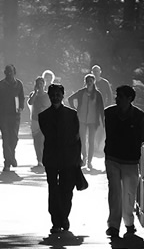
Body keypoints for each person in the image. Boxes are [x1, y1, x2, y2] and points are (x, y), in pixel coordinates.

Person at [104, 84, 144, 239]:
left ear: (129, 99)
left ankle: (129, 222)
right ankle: (113, 226)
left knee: (129, 193)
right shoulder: (108, 113)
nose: (117, 99)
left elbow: (141, 137)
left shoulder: (140, 116)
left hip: (130, 160)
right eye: (117, 95)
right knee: (114, 192)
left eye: (120, 96)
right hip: (113, 158)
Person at [38, 83, 82, 235]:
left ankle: (63, 216)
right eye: (52, 95)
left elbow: (77, 137)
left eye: (58, 94)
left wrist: (78, 157)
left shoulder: (72, 114)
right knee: (53, 189)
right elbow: (48, 135)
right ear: (49, 96)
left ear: (63, 96)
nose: (55, 97)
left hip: (69, 158)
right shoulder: (43, 116)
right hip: (51, 157)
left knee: (66, 189)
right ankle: (56, 220)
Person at [68, 73, 105, 170]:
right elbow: (70, 98)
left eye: (91, 81)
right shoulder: (81, 92)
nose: (89, 83)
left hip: (93, 120)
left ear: (94, 82)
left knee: (91, 141)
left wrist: (102, 121)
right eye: (87, 81)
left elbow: (101, 108)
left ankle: (90, 161)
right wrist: (74, 109)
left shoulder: (97, 94)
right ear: (85, 82)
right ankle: (84, 158)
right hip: (82, 119)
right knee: (82, 140)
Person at [0, 64, 25, 172]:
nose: (9, 74)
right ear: (5, 73)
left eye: (11, 71)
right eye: (7, 72)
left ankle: (11, 157)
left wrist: (21, 107)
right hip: (3, 115)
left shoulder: (19, 84)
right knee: (6, 138)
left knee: (14, 138)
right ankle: (7, 161)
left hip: (15, 116)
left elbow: (22, 98)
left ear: (14, 72)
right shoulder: (0, 85)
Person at [27, 76, 50, 172]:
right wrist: (35, 93)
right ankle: (39, 160)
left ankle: (45, 159)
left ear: (44, 85)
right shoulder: (33, 95)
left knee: (44, 141)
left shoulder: (48, 96)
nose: (40, 86)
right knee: (37, 140)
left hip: (46, 121)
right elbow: (30, 102)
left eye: (41, 84)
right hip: (35, 120)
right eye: (38, 84)